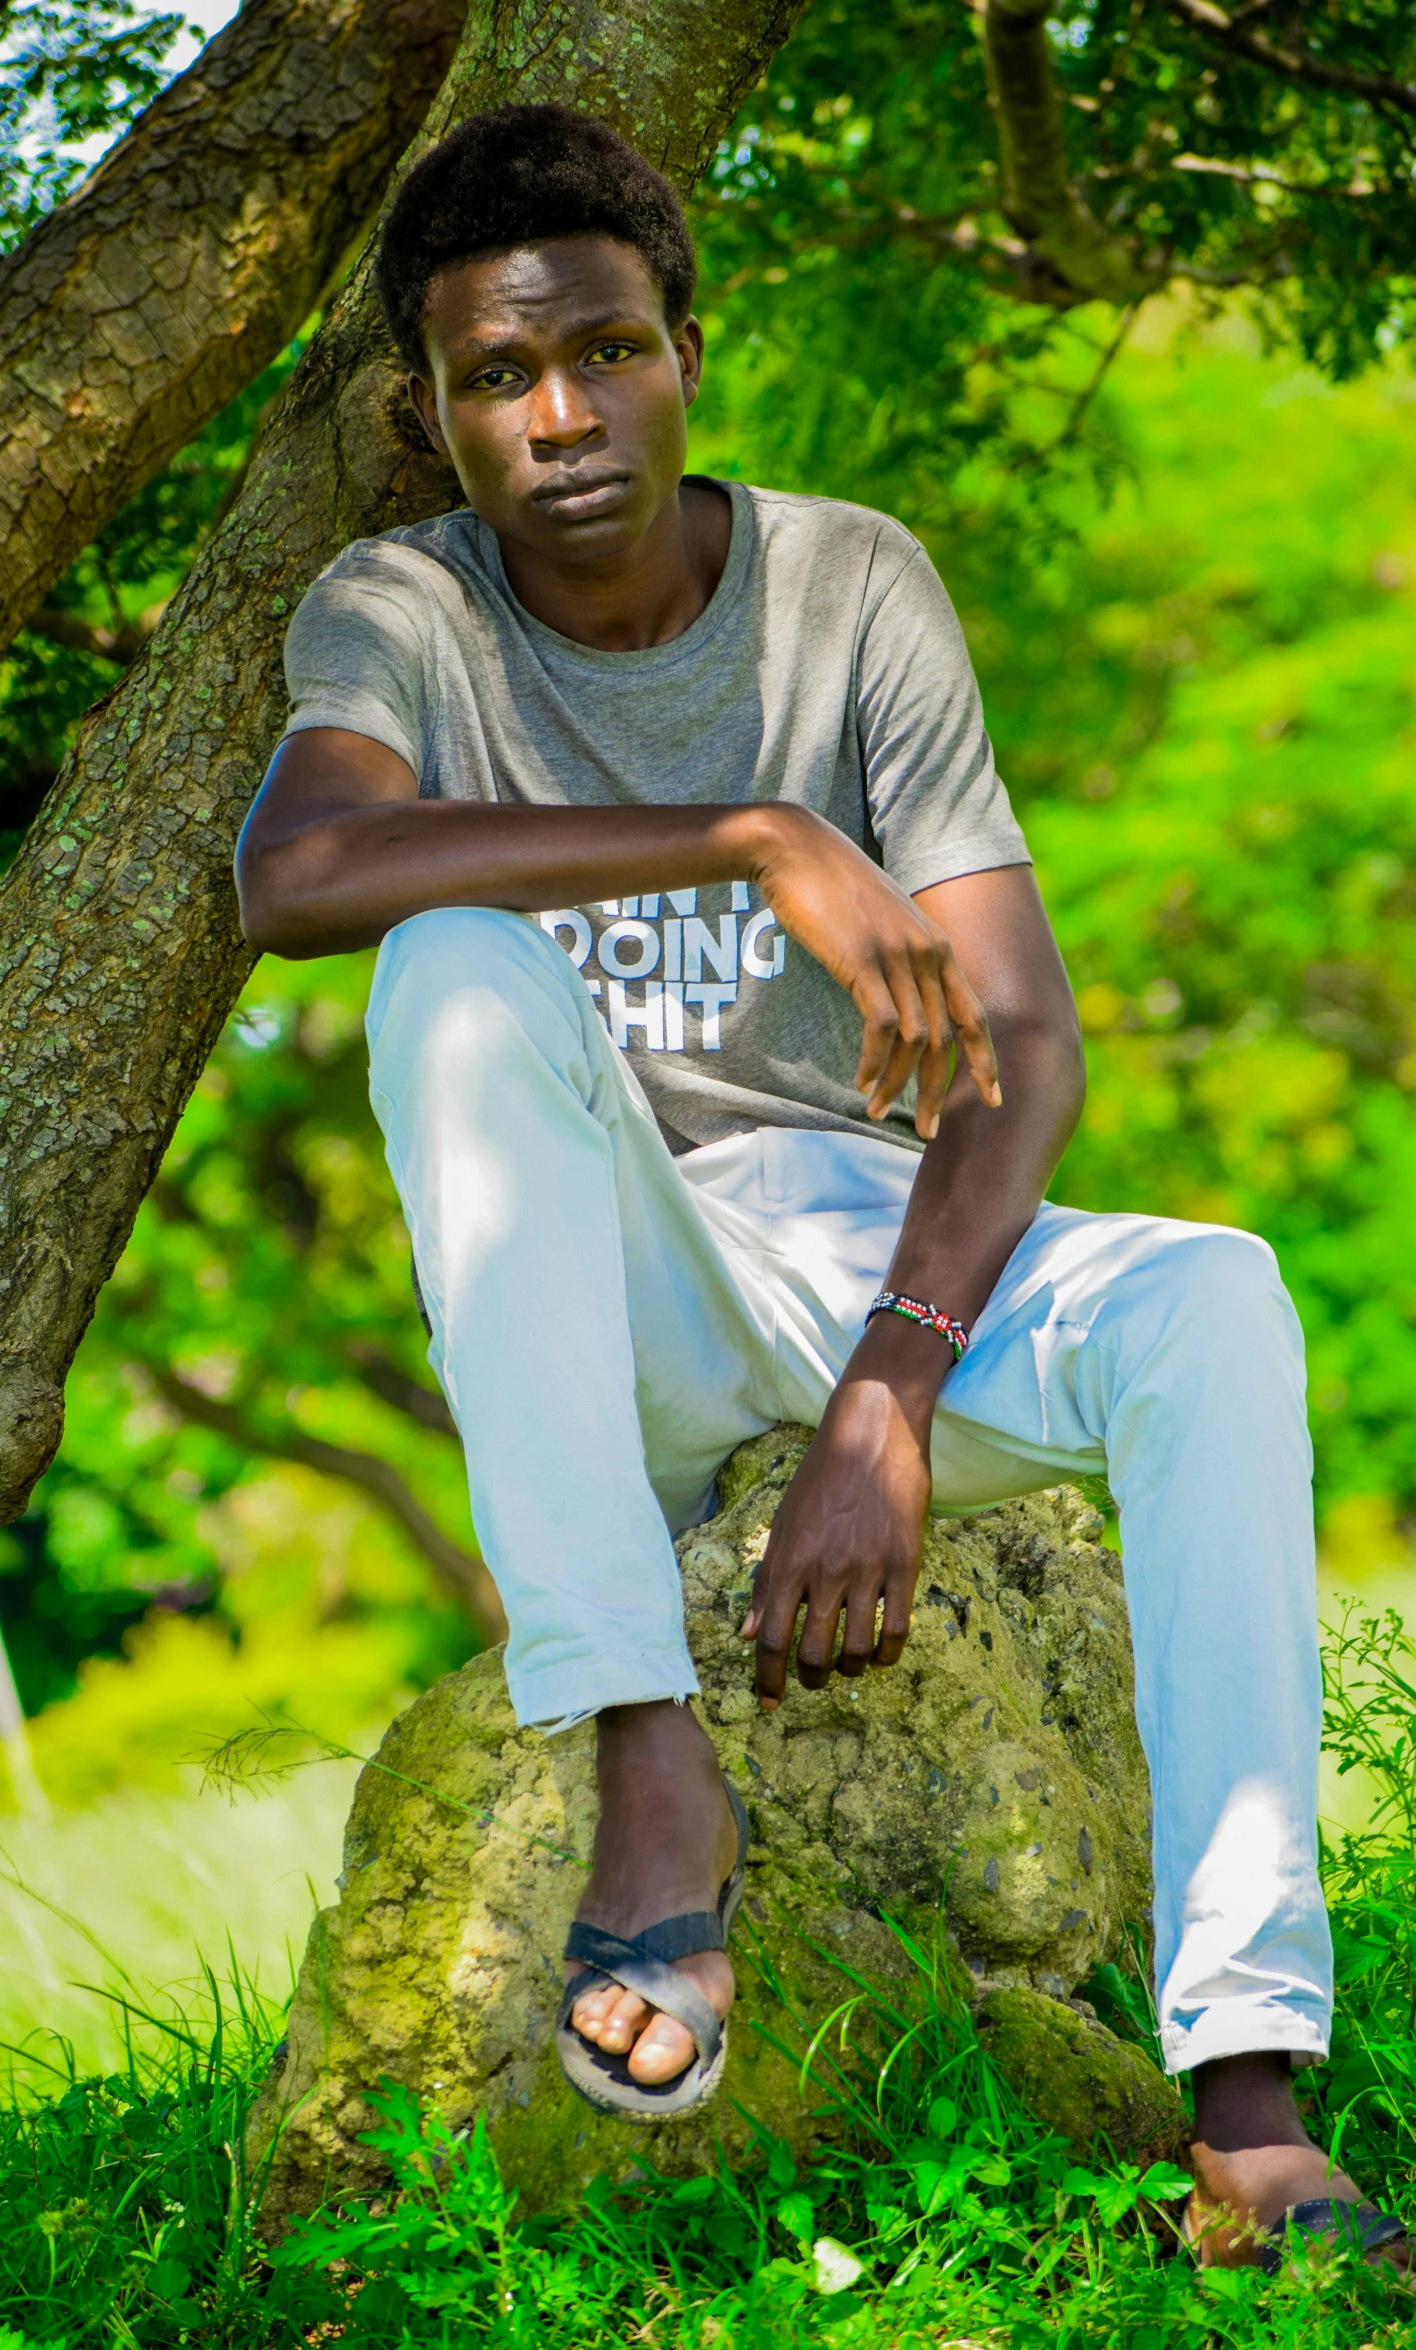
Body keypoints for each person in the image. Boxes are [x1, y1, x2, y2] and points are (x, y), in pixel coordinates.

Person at [235, 102, 1405, 2270]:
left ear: (688, 343)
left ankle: (1250, 2096)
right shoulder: (398, 606)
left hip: (868, 1241)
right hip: (611, 1272)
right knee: (450, 973)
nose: (559, 414)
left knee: (1220, 1296)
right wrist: (748, 829)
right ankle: (644, 1744)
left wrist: (886, 1396)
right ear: (433, 412)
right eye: (495, 377)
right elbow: (297, 871)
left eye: (602, 348)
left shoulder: (850, 579)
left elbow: (1026, 1041)